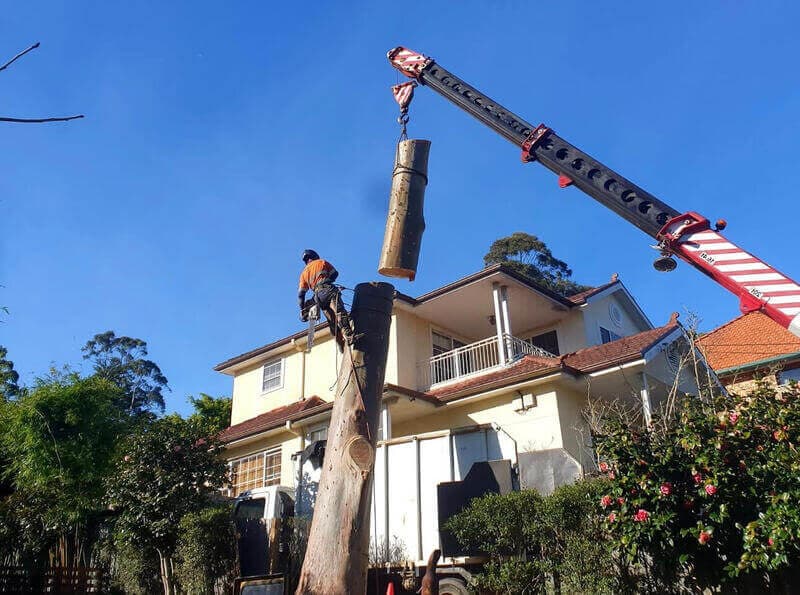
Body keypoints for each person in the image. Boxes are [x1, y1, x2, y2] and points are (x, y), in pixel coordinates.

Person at [297, 249, 356, 349]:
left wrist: (303, 310)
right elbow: (335, 274)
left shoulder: (304, 273)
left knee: (332, 321)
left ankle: (341, 344)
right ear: (315, 256)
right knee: (340, 312)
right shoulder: (321, 262)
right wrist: (328, 280)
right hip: (328, 289)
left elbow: (301, 294)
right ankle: (349, 335)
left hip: (318, 297)